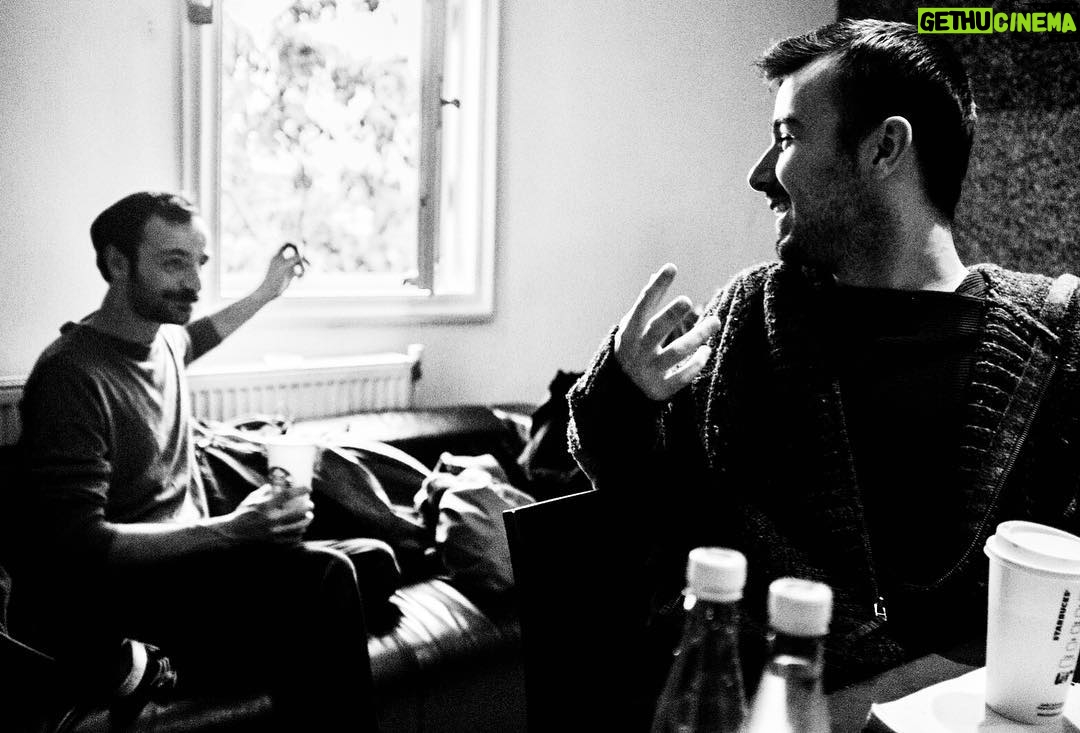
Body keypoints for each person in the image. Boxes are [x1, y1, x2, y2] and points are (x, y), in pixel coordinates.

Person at [567, 17, 1080, 719]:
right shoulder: (748, 320)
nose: (760, 175)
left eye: (787, 137)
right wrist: (623, 397)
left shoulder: (1058, 341)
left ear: (884, 148)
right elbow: (650, 510)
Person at [12, 191, 379, 730]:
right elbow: (79, 545)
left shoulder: (163, 343)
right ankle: (166, 663)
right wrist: (232, 530)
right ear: (118, 263)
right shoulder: (72, 375)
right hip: (139, 590)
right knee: (329, 577)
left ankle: (236, 654)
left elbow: (198, 336)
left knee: (375, 559)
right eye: (173, 263)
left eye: (199, 263)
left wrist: (265, 293)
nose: (194, 283)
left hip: (200, 565)